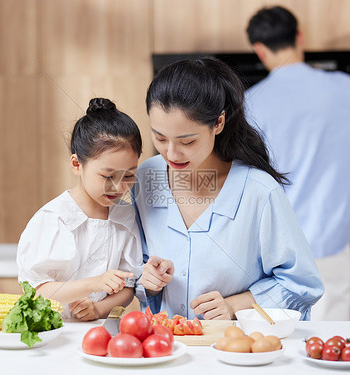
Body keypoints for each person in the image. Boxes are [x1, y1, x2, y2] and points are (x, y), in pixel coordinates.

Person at [133, 57, 324, 321]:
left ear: (219, 123)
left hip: (234, 352)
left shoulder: (259, 191)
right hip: (164, 349)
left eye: (187, 141)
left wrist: (237, 305)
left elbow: (302, 285)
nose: (171, 153)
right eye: (160, 138)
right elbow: (132, 264)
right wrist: (146, 278)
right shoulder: (145, 177)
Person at [245, 6, 350, 320]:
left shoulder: (249, 102)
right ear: (300, 38)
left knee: (279, 346)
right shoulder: (343, 89)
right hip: (329, 244)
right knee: (329, 347)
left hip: (272, 253)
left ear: (259, 49)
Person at [17, 98, 144, 321]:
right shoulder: (52, 219)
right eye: (108, 176)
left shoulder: (126, 217)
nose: (119, 187)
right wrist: (92, 284)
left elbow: (128, 288)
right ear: (77, 165)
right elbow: (37, 293)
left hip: (102, 331)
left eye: (129, 175)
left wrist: (98, 309)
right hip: (56, 331)